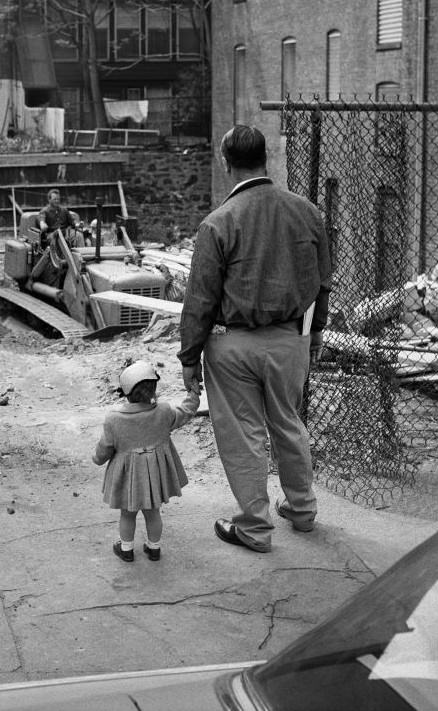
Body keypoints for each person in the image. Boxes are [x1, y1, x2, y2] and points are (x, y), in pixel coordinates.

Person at [178, 125, 331, 553]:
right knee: (288, 421)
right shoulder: (307, 211)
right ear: (268, 159)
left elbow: (201, 299)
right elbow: (323, 281)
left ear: (225, 162)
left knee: (244, 434)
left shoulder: (218, 223)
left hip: (233, 346)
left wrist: (189, 357)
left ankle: (254, 528)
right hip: (290, 342)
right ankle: (302, 511)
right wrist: (316, 330)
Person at [93, 361, 200, 563]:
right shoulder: (163, 412)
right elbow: (185, 412)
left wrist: (96, 459)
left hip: (128, 480)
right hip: (154, 478)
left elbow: (104, 449)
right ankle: (154, 548)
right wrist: (194, 394)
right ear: (153, 389)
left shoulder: (114, 419)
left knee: (127, 514)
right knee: (153, 513)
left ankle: (126, 549)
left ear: (125, 391)